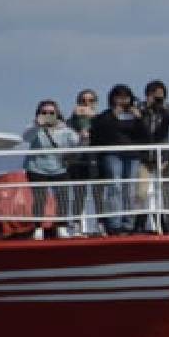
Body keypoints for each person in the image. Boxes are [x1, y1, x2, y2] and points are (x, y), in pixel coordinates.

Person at [89, 83, 149, 234]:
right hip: (112, 154)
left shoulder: (136, 115)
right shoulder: (105, 116)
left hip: (132, 155)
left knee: (129, 189)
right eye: (119, 97)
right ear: (112, 98)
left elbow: (146, 136)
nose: (123, 100)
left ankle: (128, 224)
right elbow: (99, 132)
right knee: (115, 186)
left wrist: (140, 119)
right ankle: (114, 223)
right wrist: (113, 116)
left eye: (126, 97)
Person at [22, 99, 81, 239]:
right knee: (39, 199)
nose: (48, 115)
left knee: (62, 198)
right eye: (44, 112)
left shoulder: (64, 129)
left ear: (57, 114)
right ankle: (38, 229)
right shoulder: (33, 128)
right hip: (36, 168)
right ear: (38, 114)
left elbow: (77, 141)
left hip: (59, 168)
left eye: (51, 112)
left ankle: (61, 227)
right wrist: (37, 125)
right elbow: (26, 138)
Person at [139, 79, 169, 233]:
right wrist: (146, 107)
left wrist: (163, 105)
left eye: (160, 95)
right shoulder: (141, 108)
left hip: (165, 157)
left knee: (167, 191)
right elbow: (136, 121)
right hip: (145, 158)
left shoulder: (166, 109)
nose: (157, 98)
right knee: (142, 192)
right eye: (154, 95)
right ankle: (143, 225)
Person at [66, 89, 102, 234]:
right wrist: (75, 118)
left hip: (95, 158)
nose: (87, 104)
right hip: (78, 159)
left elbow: (108, 131)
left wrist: (94, 119)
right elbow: (64, 132)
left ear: (95, 103)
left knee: (98, 192)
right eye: (83, 101)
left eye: (90, 100)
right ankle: (76, 224)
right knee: (79, 193)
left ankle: (101, 223)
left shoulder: (101, 119)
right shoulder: (71, 120)